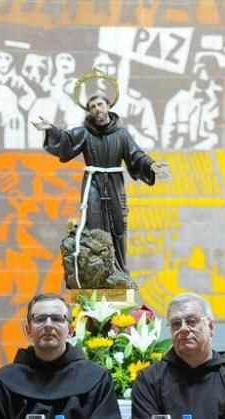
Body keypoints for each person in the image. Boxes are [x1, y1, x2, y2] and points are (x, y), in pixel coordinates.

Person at [32, 87, 170, 278]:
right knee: (94, 226)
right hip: (93, 184)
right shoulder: (85, 133)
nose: (97, 109)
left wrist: (152, 165)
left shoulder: (121, 134)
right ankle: (97, 271)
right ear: (89, 112)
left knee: (118, 226)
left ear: (108, 106)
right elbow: (67, 139)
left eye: (100, 104)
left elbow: (136, 155)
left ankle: (119, 270)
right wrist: (52, 130)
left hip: (114, 184)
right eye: (92, 107)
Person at [0, 293, 123, 419]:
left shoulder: (96, 379)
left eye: (57, 319)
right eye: (40, 319)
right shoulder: (4, 380)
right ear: (28, 330)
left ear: (70, 330)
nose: (48, 325)